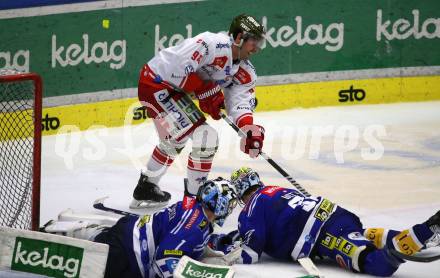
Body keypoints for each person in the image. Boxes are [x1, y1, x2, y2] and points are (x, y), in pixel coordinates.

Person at [132, 14, 266, 208]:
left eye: (259, 42)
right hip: (155, 83)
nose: (257, 48)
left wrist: (248, 128)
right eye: (254, 42)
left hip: (172, 91)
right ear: (239, 38)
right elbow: (176, 68)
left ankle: (146, 186)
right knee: (206, 137)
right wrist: (205, 90)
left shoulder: (245, 71)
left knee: (175, 138)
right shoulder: (210, 44)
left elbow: (240, 103)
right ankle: (194, 204)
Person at [210, 167, 440, 277]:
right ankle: (427, 235)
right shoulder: (275, 190)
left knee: (376, 265)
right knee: (363, 234)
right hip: (336, 215)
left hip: (323, 236)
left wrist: (223, 253)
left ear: (240, 193)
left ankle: (423, 232)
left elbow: (249, 255)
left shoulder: (251, 209)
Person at [43, 178, 238, 278]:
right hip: (125, 254)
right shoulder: (194, 226)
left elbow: (181, 242)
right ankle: (48, 241)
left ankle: (73, 229)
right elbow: (164, 261)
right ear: (219, 204)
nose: (230, 208)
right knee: (85, 265)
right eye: (229, 203)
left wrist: (207, 254)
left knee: (101, 240)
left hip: (129, 233)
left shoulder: (193, 208)